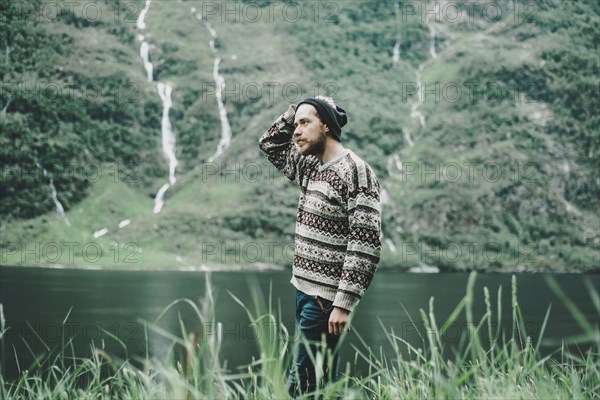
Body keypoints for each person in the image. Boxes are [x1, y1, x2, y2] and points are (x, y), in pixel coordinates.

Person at [258, 96, 382, 396]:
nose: (297, 131)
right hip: (303, 291)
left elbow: (365, 243)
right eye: (296, 123)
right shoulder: (311, 166)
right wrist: (293, 111)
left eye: (305, 123)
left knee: (298, 386)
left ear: (326, 125)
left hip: (324, 302)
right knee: (321, 383)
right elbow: (270, 143)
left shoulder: (356, 172)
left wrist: (343, 304)